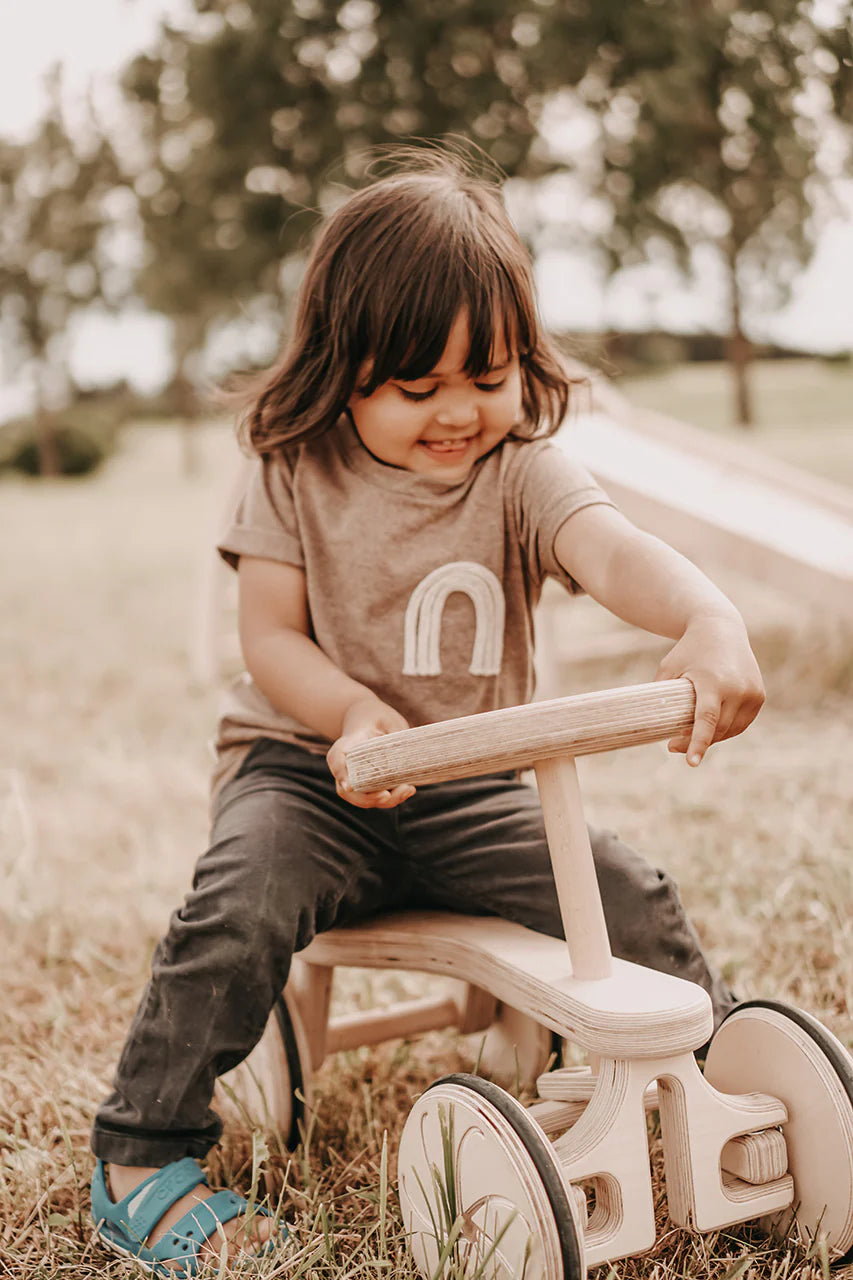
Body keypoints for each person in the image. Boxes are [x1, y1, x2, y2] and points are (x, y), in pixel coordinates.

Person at [89, 148, 764, 1273]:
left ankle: (727, 1080)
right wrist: (354, 712)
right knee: (238, 899)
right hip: (310, 778)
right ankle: (141, 1154)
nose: (460, 411)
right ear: (341, 368)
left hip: (474, 792)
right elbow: (268, 638)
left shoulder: (521, 470)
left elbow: (611, 550)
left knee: (624, 890)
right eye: (417, 388)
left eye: (489, 375)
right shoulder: (292, 462)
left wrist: (706, 613)